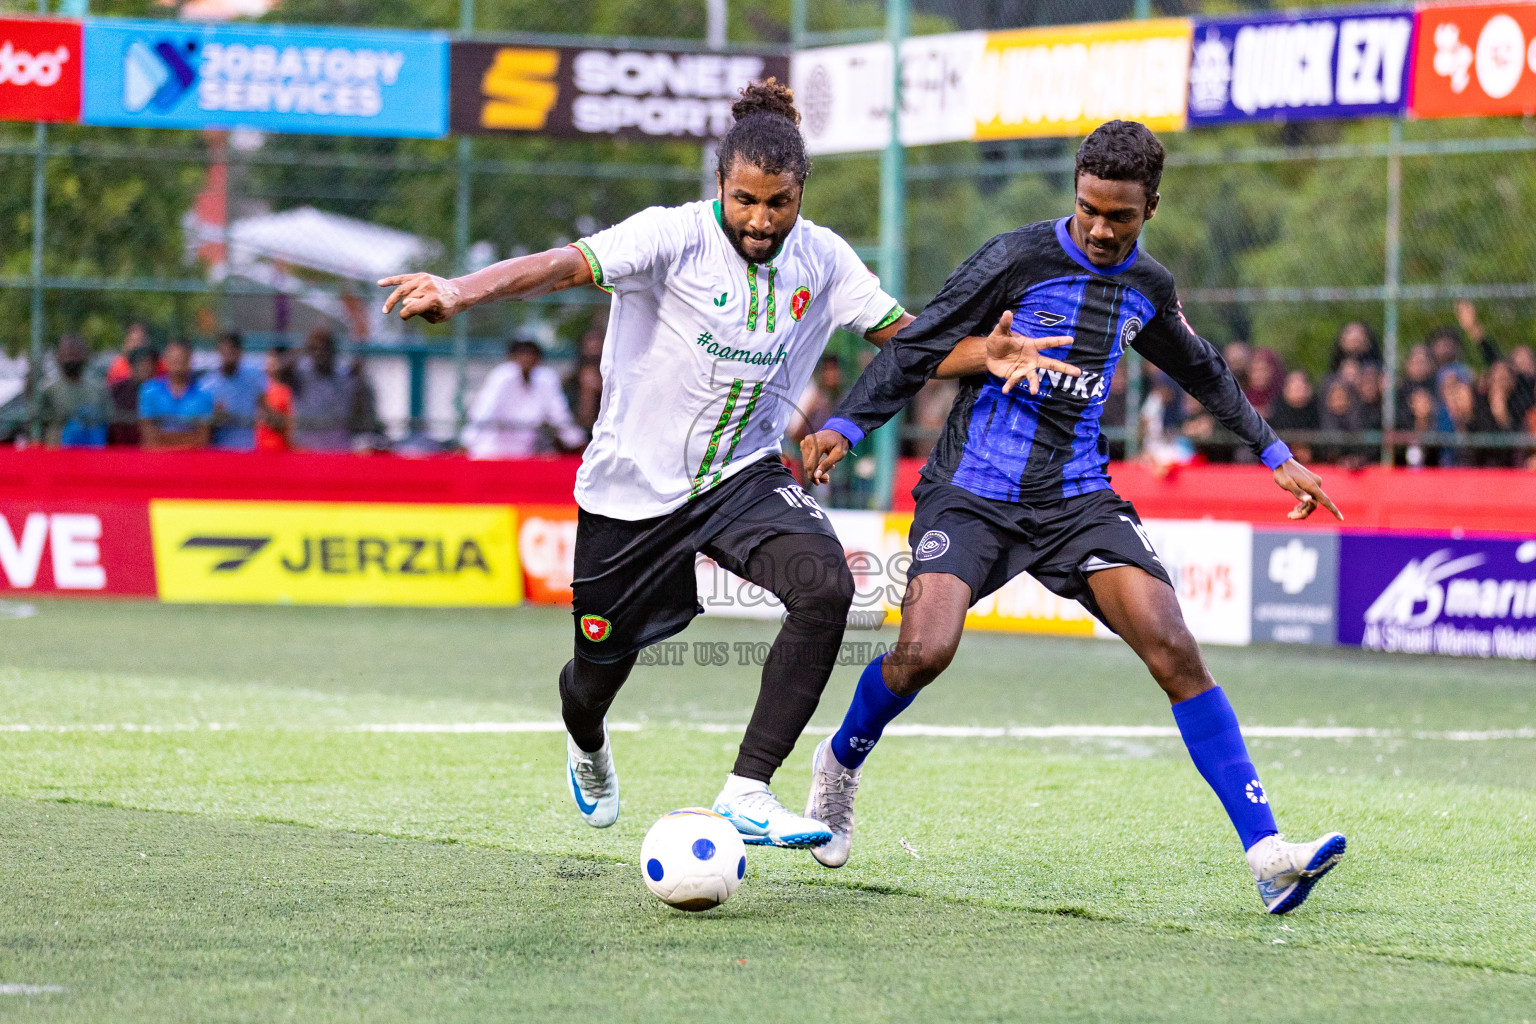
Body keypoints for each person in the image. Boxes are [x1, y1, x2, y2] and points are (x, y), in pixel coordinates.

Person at [377, 79, 1034, 849]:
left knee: (827, 587)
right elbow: (561, 265)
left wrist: (982, 355)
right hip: (630, 493)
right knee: (595, 675)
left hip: (742, 477)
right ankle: (586, 741)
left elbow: (906, 339)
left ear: (800, 192)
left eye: (779, 202)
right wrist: (458, 290)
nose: (761, 220)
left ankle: (748, 789)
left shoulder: (823, 258)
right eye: (745, 200)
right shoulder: (671, 235)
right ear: (720, 184)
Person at [799, 120, 1346, 915]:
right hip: (972, 493)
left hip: (1077, 501)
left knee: (1173, 646)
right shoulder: (1015, 258)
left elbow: (1203, 370)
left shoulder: (1147, 289)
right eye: (1089, 207)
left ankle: (1267, 854)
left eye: (1119, 215)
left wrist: (1273, 454)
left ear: (1150, 207)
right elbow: (920, 344)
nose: (1099, 226)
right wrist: (848, 427)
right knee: (924, 651)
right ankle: (841, 763)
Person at [461, 340, 587, 458]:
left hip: (527, 451)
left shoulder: (546, 379)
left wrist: (577, 442)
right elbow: (483, 410)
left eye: (531, 355)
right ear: (513, 357)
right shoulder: (502, 376)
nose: (527, 359)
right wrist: (466, 441)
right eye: (522, 354)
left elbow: (559, 416)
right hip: (492, 450)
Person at [138, 338, 213, 450]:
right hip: (158, 461)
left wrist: (164, 440)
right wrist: (187, 440)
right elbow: (149, 438)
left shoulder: (204, 394)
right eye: (173, 359)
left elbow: (202, 440)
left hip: (191, 462)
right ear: (166, 360)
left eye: (181, 359)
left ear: (189, 360)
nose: (177, 363)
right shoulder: (149, 391)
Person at [197, 331, 267, 451]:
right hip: (219, 451)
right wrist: (214, 417)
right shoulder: (206, 385)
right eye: (225, 351)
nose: (229, 355)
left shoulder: (254, 379)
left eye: (233, 351)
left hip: (247, 450)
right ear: (219, 351)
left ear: (240, 352)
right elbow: (201, 424)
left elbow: (264, 409)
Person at [38, 335, 110, 448]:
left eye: (75, 354)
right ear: (59, 356)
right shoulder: (47, 389)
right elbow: (37, 426)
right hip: (57, 453)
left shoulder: (98, 388)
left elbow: (108, 421)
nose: (71, 359)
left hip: (92, 453)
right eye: (67, 354)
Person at [291, 329, 357, 452]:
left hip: (337, 449)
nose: (320, 353)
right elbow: (280, 370)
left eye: (324, 349)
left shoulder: (344, 375)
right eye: (315, 349)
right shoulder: (301, 372)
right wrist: (303, 349)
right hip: (306, 448)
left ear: (332, 351)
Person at [1268, 369, 1320, 463]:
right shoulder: (1277, 408)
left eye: (1301, 385)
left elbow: (1324, 435)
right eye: (1294, 385)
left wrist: (1310, 450)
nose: (1298, 388)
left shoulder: (1317, 408)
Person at [108, 346, 157, 446]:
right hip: (122, 446)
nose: (145, 368)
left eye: (148, 364)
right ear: (132, 366)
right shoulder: (117, 390)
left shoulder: (161, 391)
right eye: (141, 364)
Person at [255, 345, 296, 453]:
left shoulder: (287, 391)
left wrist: (265, 408)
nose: (268, 363)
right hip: (259, 452)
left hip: (280, 452)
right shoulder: (259, 388)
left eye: (273, 359)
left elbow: (287, 424)